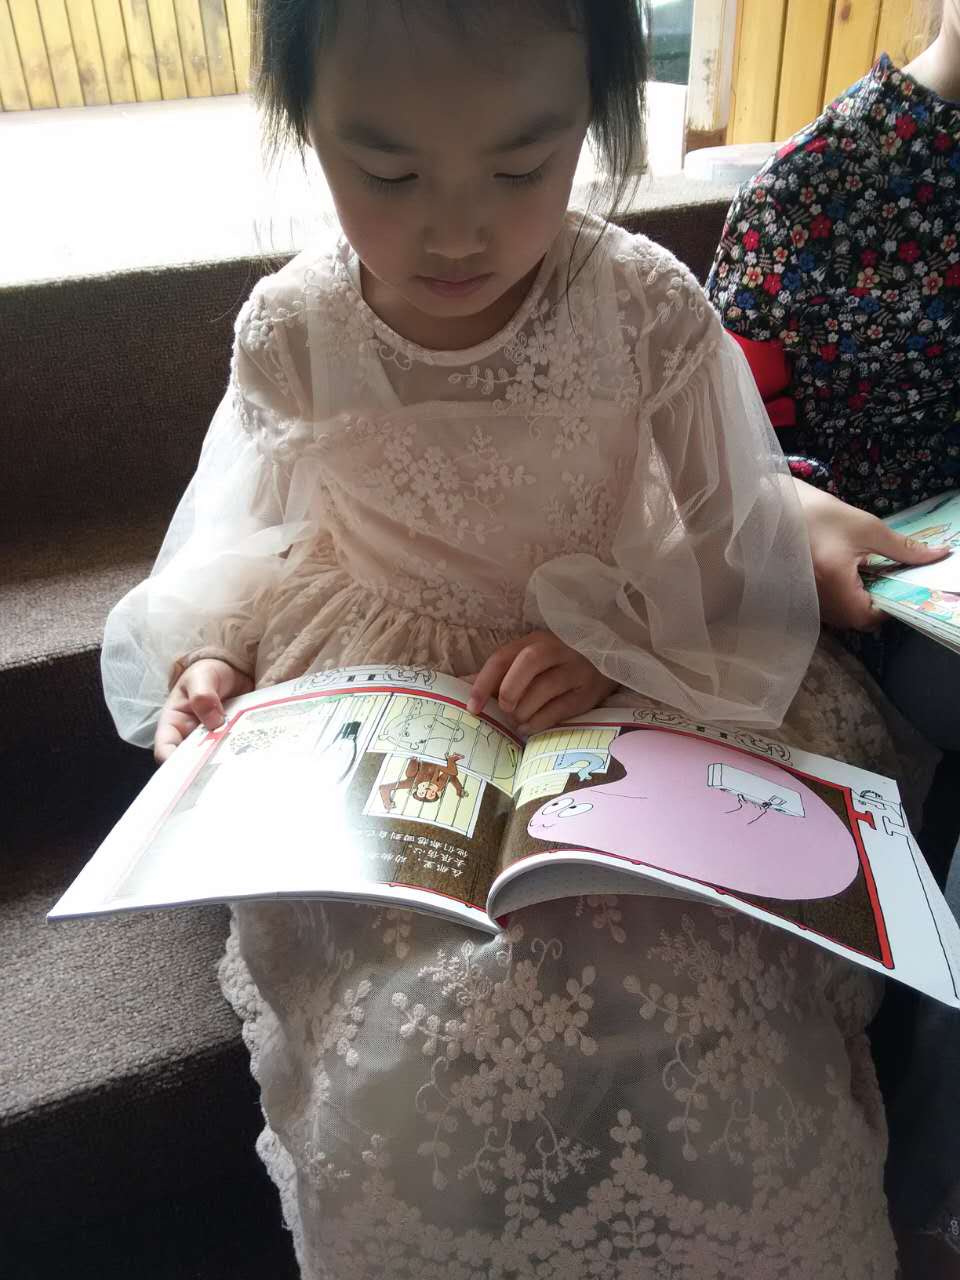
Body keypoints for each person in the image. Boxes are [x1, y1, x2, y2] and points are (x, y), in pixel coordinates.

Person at [101, 3, 920, 1274]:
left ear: (593, 124)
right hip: (374, 690)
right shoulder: (293, 330)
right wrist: (212, 656)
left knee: (695, 986)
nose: (456, 229)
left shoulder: (641, 306)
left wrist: (615, 639)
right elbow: (249, 533)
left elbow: (739, 542)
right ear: (306, 128)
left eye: (523, 166)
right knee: (412, 1030)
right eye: (389, 173)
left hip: (618, 682)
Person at [707, 4, 960, 1271]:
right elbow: (719, 445)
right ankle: (925, 1182)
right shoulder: (814, 192)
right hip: (894, 589)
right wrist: (799, 508)